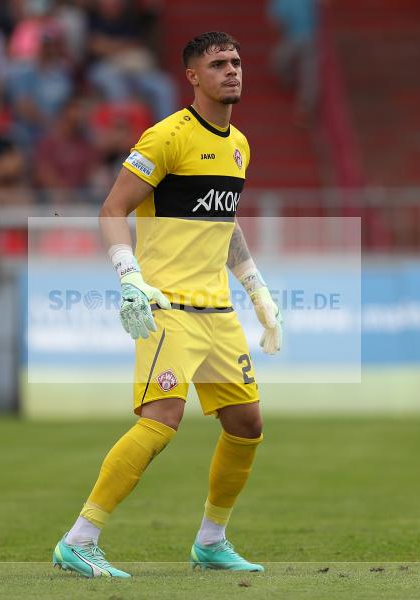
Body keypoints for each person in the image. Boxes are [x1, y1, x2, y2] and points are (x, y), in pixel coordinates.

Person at [52, 31, 283, 578]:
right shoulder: (167, 137)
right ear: (193, 77)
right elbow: (112, 208)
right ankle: (79, 538)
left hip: (217, 312)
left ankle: (211, 541)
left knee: (246, 423)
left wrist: (257, 290)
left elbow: (223, 225)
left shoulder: (239, 145)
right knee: (163, 419)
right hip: (168, 306)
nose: (233, 71)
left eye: (237, 61)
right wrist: (130, 276)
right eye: (219, 63)